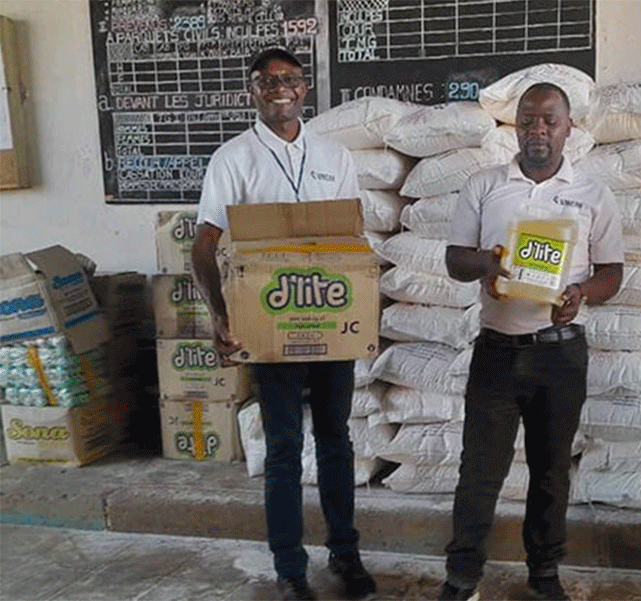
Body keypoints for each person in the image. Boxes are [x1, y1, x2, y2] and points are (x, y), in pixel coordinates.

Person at [191, 47, 376, 601]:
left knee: (337, 442)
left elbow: (350, 237)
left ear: (304, 88)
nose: (281, 89)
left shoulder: (332, 155)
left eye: (291, 79)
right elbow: (204, 243)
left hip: (326, 318)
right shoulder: (233, 159)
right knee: (282, 448)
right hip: (267, 329)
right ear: (252, 89)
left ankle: (346, 554)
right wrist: (221, 316)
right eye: (267, 81)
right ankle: (290, 569)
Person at [439, 82, 624, 601]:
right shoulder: (484, 185)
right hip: (497, 348)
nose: (537, 130)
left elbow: (613, 272)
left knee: (550, 471)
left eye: (549, 120)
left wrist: (581, 294)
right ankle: (461, 579)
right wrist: (489, 263)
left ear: (569, 128)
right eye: (527, 120)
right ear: (514, 126)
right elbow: (456, 260)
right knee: (478, 472)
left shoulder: (592, 194)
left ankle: (544, 575)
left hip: (561, 351)